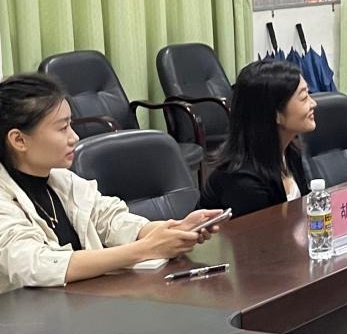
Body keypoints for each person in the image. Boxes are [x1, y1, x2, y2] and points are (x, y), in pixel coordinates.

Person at [0, 73, 223, 294]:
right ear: (19, 140)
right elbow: (38, 265)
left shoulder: (60, 177)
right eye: (62, 128)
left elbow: (108, 217)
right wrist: (145, 249)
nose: (74, 137)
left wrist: (172, 230)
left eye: (71, 125)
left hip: (82, 302)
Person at [200, 60, 316, 217]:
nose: (313, 103)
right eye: (303, 97)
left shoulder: (290, 151)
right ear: (275, 114)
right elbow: (263, 232)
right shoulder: (243, 182)